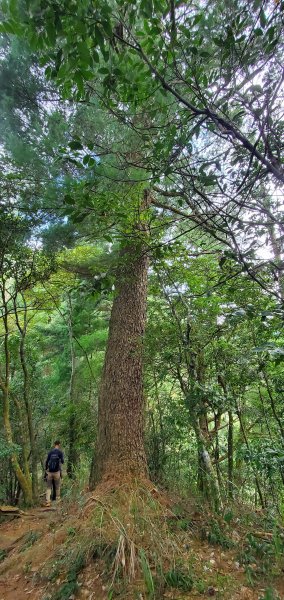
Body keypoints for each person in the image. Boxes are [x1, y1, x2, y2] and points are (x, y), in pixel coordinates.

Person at [44, 440, 64, 507]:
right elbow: (63, 461)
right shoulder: (60, 452)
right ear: (59, 444)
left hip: (50, 472)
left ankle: (48, 501)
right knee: (57, 486)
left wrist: (46, 469)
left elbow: (47, 462)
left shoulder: (50, 452)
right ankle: (58, 500)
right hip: (56, 472)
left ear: (54, 444)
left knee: (48, 487)